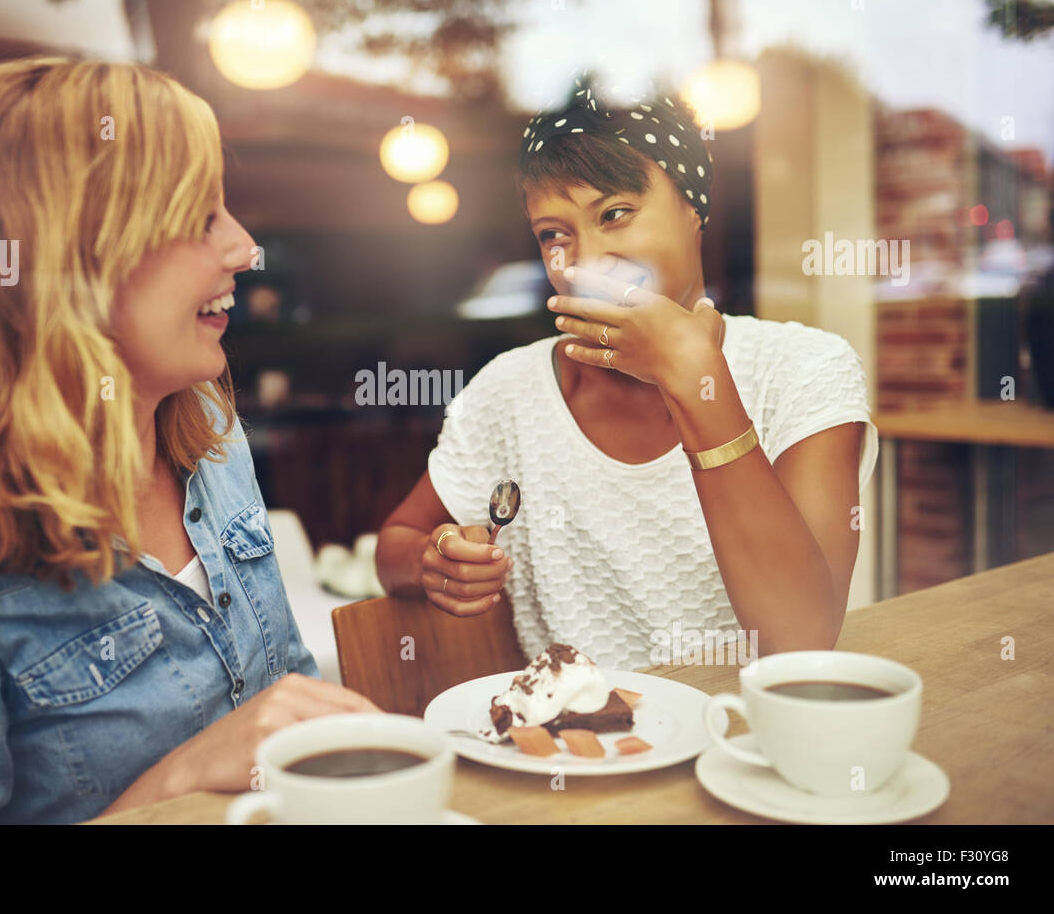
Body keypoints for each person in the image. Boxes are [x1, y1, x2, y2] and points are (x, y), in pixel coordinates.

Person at [0, 57, 377, 824]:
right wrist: (180, 776)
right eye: (200, 216)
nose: (244, 246)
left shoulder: (212, 443)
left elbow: (283, 711)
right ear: (64, 263)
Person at [375, 73, 878, 670]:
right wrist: (435, 561)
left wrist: (694, 379)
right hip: (583, 750)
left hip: (753, 747)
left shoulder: (803, 369)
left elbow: (801, 639)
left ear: (694, 209)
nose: (584, 261)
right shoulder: (510, 392)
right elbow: (396, 544)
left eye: (615, 213)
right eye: (554, 235)